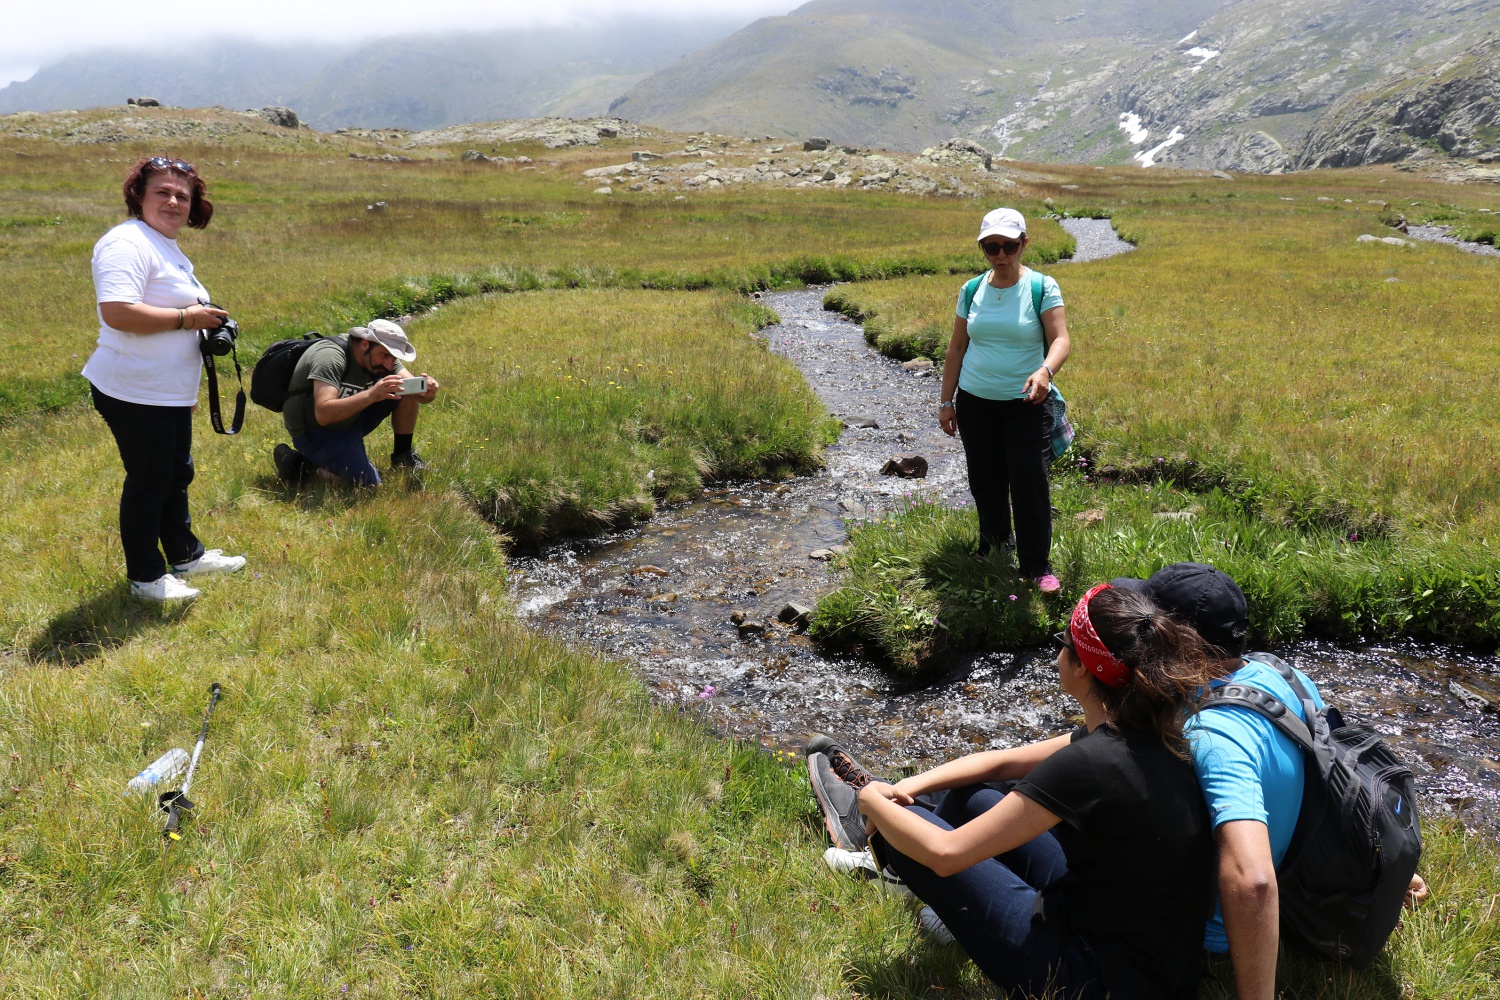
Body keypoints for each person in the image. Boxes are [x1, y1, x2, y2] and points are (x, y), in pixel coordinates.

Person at [812, 584, 1227, 999]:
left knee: (905, 831)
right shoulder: (1151, 728)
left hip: (1089, 978)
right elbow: (1004, 761)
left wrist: (871, 799)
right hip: (1147, 962)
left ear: (1084, 667)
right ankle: (907, 857)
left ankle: (881, 851)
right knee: (973, 798)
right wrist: (908, 785)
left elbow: (946, 854)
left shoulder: (1089, 762)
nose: (1058, 654)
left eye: (1064, 644)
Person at [1110, 563, 1426, 999]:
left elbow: (1252, 881)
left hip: (1210, 931)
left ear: (1178, 641)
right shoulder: (1279, 675)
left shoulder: (1213, 734)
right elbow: (1331, 768)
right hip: (1294, 862)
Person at [83, 156, 246, 602]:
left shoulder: (164, 245)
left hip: (164, 390)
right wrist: (187, 317)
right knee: (150, 479)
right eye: (163, 192)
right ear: (138, 195)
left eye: (183, 195)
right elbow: (118, 312)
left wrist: (183, 387)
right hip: (131, 387)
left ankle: (186, 555)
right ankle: (146, 578)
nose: (173, 201)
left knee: (176, 473)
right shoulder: (126, 243)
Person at [938, 207, 1071, 593]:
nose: (1001, 255)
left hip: (1028, 401)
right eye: (991, 247)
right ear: (983, 248)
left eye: (1009, 246)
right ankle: (994, 546)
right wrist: (947, 401)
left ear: (1024, 244)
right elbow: (957, 347)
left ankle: (1036, 565)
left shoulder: (1042, 287)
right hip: (976, 401)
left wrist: (1045, 371)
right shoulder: (971, 289)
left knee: (1030, 480)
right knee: (985, 479)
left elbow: (1061, 339)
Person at [273, 319, 440, 487]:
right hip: (315, 431)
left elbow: (416, 394)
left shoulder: (382, 354)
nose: (389, 364)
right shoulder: (330, 357)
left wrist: (427, 393)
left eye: (393, 357)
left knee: (405, 390)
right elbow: (323, 414)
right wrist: (371, 395)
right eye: (385, 355)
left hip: (350, 417)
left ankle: (402, 456)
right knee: (367, 487)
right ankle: (297, 465)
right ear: (365, 344)